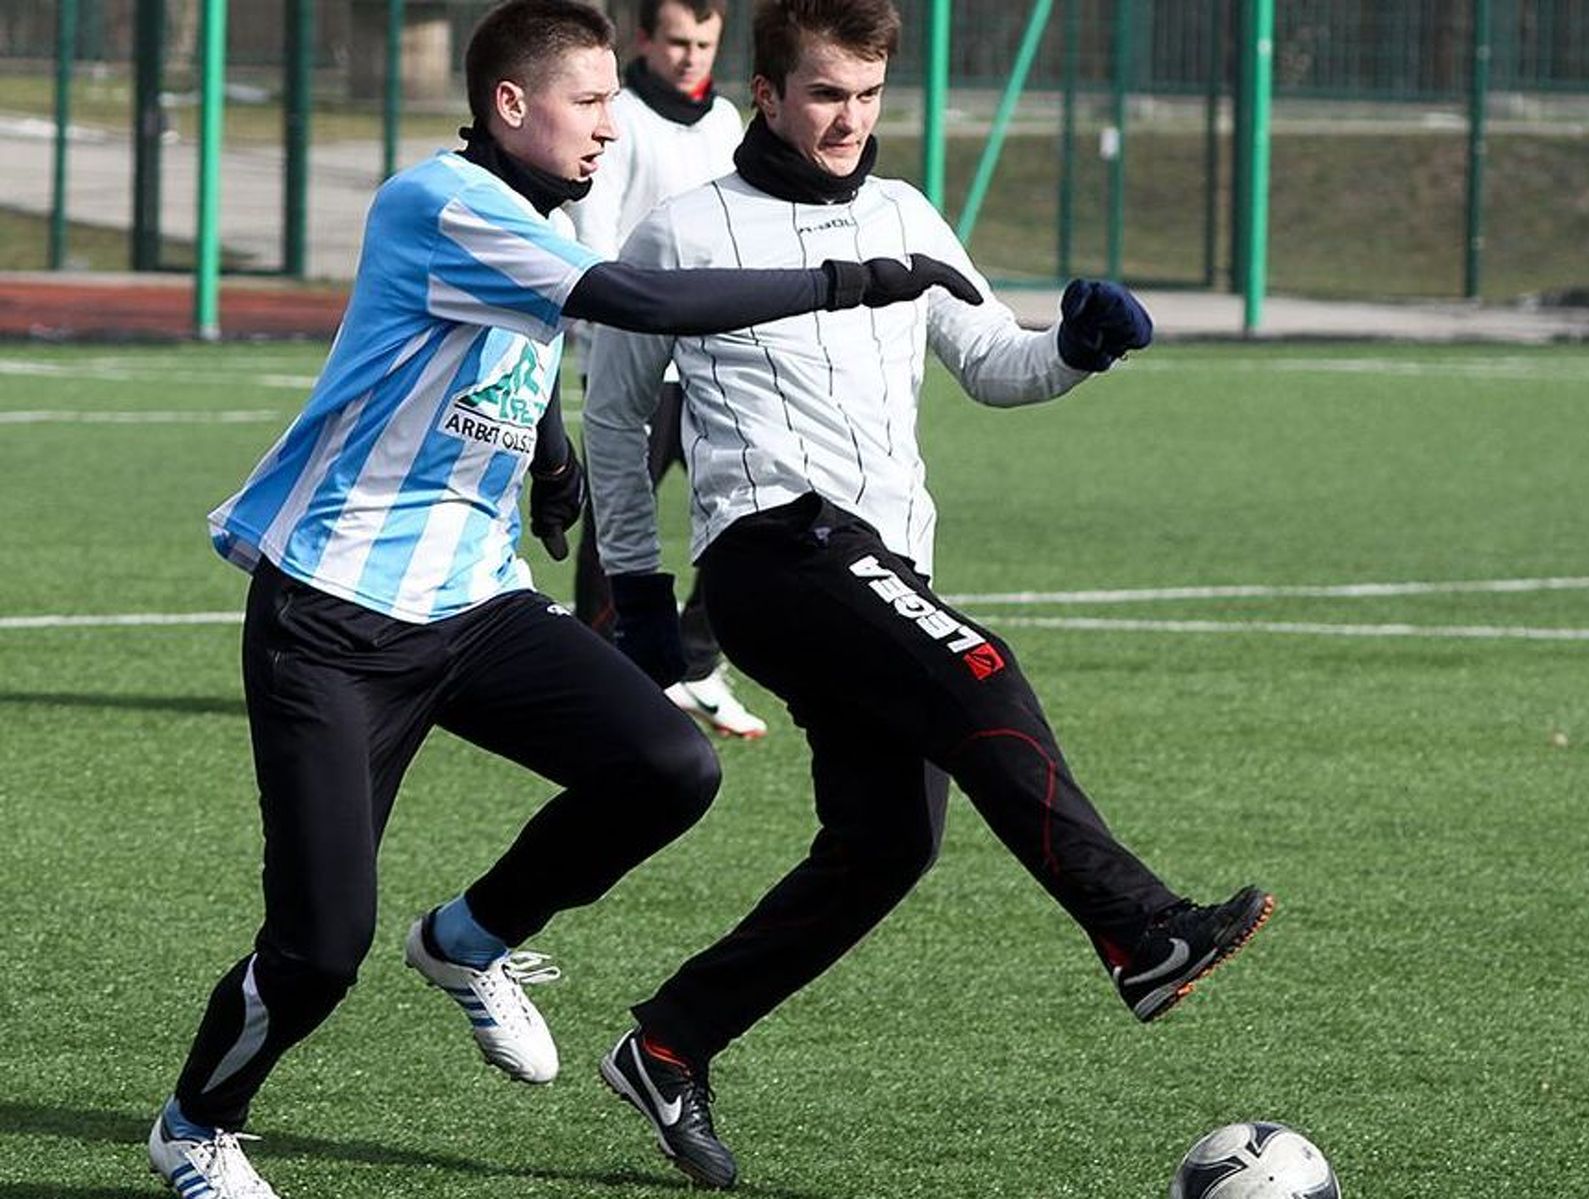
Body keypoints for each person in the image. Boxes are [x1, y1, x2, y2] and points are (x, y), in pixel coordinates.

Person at [143, 1, 980, 1195]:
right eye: (589, 102)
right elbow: (635, 305)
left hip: (474, 604)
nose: (608, 124)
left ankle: (470, 938)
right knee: (321, 948)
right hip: (333, 618)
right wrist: (851, 276)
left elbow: (507, 338)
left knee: (667, 764)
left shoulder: (532, 212)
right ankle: (194, 1124)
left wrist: (547, 455)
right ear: (510, 105)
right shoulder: (437, 203)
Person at [581, 0, 1274, 1188]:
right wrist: (640, 592)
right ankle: (1141, 929)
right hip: (775, 553)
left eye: (865, 94)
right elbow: (609, 420)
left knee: (885, 843)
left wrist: (1076, 346)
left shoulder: (904, 213)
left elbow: (995, 366)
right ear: (766, 94)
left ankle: (668, 1039)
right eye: (822, 93)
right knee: (980, 670)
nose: (847, 118)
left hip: (878, 569)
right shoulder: (683, 233)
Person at [565, 0, 768, 739]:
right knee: (620, 518)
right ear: (645, 41)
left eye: (703, 44)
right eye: (676, 41)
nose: (689, 56)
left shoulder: (722, 123)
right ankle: (599, 674)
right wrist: (619, 317)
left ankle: (697, 662)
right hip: (630, 356)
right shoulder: (619, 121)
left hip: (712, 357)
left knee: (753, 504)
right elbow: (594, 232)